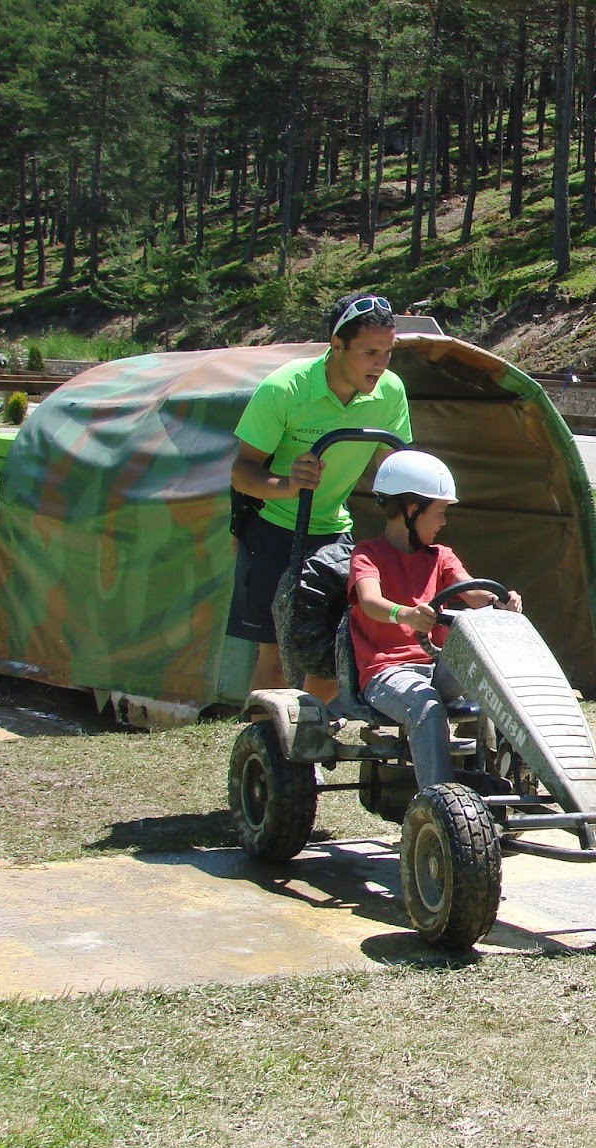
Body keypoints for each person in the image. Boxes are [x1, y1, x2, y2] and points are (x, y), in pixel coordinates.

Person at [228, 291, 413, 699]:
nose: (381, 363)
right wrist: (287, 485)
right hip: (274, 530)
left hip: (334, 531)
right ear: (337, 345)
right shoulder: (284, 388)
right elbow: (242, 472)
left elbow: (394, 469)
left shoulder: (391, 392)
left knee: (331, 652)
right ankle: (267, 734)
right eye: (370, 352)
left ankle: (312, 732)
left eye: (388, 352)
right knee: (274, 655)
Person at [348, 450, 523, 791]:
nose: (444, 522)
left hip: (435, 667)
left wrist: (500, 601)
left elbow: (472, 592)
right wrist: (406, 614)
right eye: (439, 512)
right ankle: (438, 800)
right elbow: (369, 602)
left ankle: (508, 781)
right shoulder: (367, 554)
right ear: (411, 509)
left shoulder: (440, 556)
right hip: (386, 673)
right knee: (425, 704)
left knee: (500, 682)